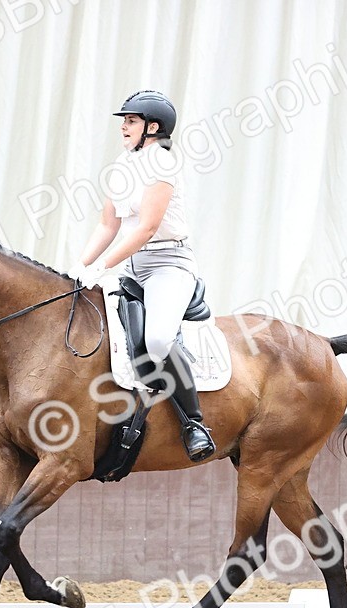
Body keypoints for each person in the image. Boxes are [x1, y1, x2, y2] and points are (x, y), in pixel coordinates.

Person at [74, 89, 215, 462]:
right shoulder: (121, 166)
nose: (123, 127)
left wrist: (102, 268)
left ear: (152, 127)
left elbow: (147, 228)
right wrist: (80, 266)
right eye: (124, 121)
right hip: (132, 267)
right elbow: (108, 225)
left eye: (131, 121)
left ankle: (194, 424)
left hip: (169, 264)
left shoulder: (163, 165)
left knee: (156, 341)